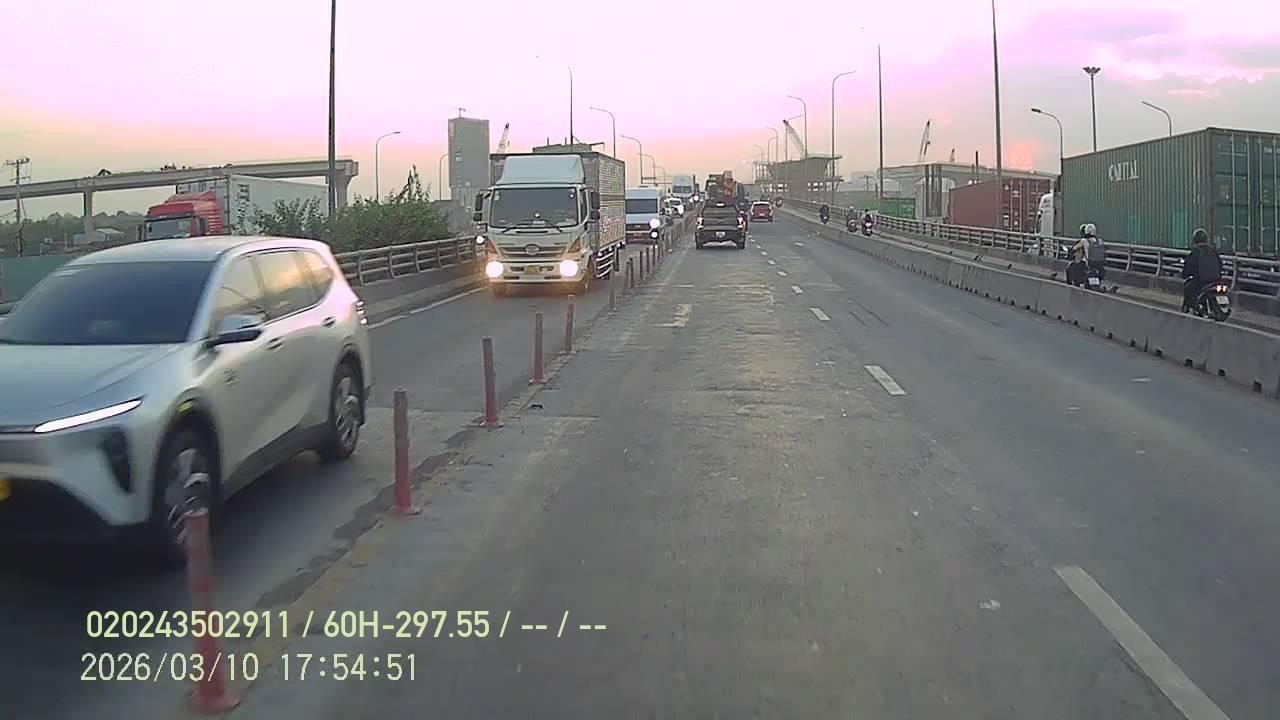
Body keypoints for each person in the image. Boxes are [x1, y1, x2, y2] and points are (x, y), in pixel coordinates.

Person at [1181, 228, 1222, 312]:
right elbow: (1220, 265)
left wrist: (1185, 274)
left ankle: (1193, 306)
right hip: (1216, 280)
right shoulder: (1213, 251)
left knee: (1187, 288)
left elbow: (1189, 267)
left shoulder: (1195, 252)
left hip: (1202, 281)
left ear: (1195, 240)